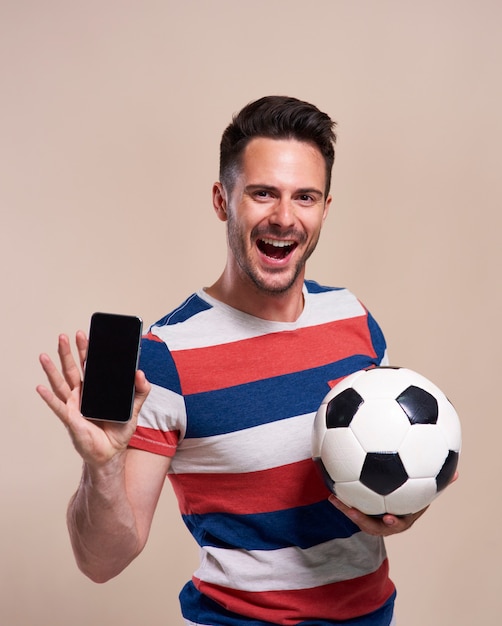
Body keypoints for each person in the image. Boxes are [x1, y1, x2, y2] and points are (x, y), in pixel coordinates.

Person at [37, 96, 427, 626]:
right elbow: (102, 561)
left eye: (305, 197)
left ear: (325, 209)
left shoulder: (352, 316)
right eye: (263, 193)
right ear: (223, 200)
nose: (284, 218)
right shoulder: (165, 358)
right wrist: (102, 468)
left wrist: (399, 509)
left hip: (373, 616)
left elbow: (389, 466)